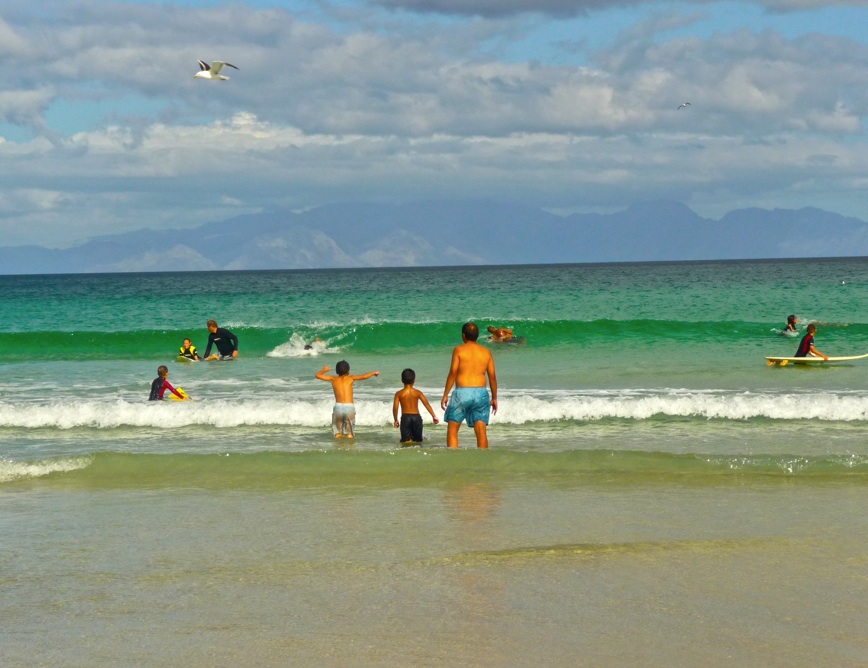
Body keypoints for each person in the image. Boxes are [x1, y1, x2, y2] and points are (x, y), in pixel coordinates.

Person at [441, 322, 498, 449]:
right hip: (481, 393)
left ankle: (453, 458)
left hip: (462, 393)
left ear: (463, 335)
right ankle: (483, 460)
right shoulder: (486, 352)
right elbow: (492, 377)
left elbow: (453, 373)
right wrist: (494, 398)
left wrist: (445, 394)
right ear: (477, 336)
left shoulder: (459, 350)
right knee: (481, 431)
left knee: (453, 429)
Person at [316, 360, 379, 438]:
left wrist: (324, 370)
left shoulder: (333, 379)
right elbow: (364, 376)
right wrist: (374, 373)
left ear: (336, 371)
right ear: (349, 371)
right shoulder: (351, 378)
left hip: (338, 407)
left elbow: (318, 375)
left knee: (338, 432)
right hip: (349, 407)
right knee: (350, 432)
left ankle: (339, 447)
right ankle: (349, 447)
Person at [392, 368, 440, 444]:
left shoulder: (399, 394)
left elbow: (395, 408)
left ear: (402, 380)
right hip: (416, 418)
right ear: (414, 380)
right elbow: (427, 404)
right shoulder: (418, 392)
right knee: (418, 440)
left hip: (405, 418)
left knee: (406, 441)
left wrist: (395, 420)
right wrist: (434, 416)